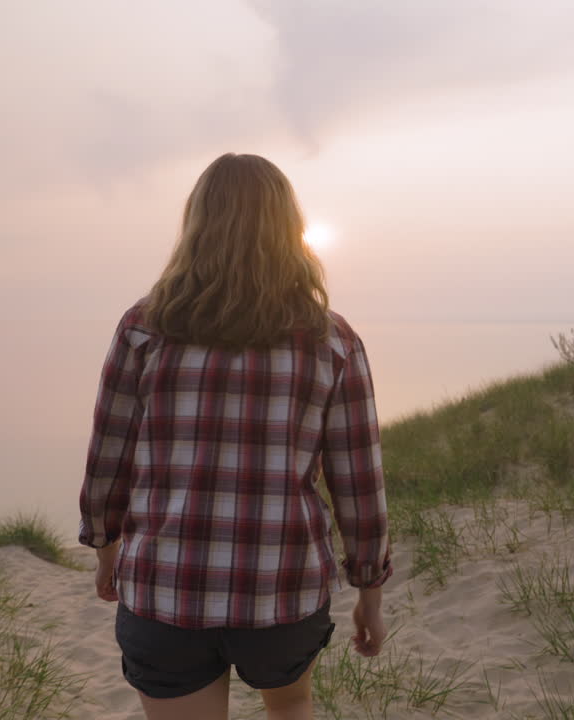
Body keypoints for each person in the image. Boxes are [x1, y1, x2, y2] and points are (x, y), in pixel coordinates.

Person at [78, 153, 392, 720]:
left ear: (197, 226)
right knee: (292, 705)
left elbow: (108, 456)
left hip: (165, 589)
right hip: (284, 590)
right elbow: (359, 485)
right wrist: (369, 591)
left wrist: (106, 547)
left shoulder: (144, 328)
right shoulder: (332, 341)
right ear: (290, 230)